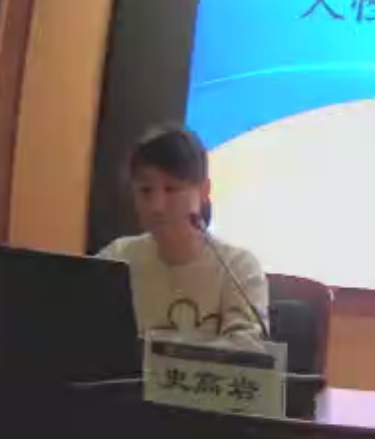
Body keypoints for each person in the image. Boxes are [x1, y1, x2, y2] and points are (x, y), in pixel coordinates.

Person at [97, 125, 269, 342]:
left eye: (171, 189)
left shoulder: (238, 267)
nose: (157, 206)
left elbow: (248, 351)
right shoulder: (117, 257)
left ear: (204, 191)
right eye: (145, 191)